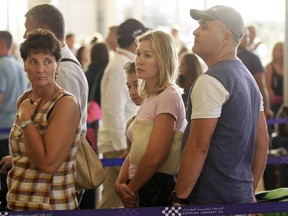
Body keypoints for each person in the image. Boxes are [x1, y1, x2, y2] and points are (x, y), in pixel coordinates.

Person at [172, 5, 269, 205]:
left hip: (209, 201)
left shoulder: (211, 81)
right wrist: (247, 191)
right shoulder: (247, 78)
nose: (195, 31)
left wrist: (179, 198)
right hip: (238, 197)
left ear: (226, 36)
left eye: (204, 26)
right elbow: (263, 142)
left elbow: (198, 146)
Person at [5, 29, 81, 210]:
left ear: (58, 65)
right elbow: (27, 150)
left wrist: (25, 119)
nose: (40, 69)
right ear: (24, 64)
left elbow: (48, 164)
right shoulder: (24, 100)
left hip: (51, 205)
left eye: (47, 61)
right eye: (33, 61)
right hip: (17, 203)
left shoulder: (65, 103)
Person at [115, 30, 186, 208]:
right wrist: (120, 182)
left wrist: (131, 189)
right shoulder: (149, 97)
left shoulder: (168, 96)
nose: (139, 60)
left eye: (147, 55)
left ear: (163, 59)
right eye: (138, 53)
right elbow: (135, 151)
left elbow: (156, 156)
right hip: (139, 184)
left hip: (154, 187)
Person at [97, 18, 147, 209]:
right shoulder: (121, 67)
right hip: (120, 144)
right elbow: (113, 111)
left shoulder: (122, 63)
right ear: (136, 41)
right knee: (127, 199)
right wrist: (123, 148)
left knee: (112, 199)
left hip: (120, 142)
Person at [0, 31, 26, 197]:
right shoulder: (18, 65)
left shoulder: (1, 65)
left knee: (2, 173)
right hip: (16, 126)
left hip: (2, 127)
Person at [237, 28, 274, 119]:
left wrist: (267, 109)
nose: (246, 39)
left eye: (248, 37)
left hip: (250, 104)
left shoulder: (253, 58)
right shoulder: (225, 56)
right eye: (244, 37)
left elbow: (262, 85)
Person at [265, 42, 284, 114]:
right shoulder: (269, 67)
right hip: (274, 102)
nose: (279, 53)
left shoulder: (286, 67)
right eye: (277, 50)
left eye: (281, 50)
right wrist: (275, 99)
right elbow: (267, 86)